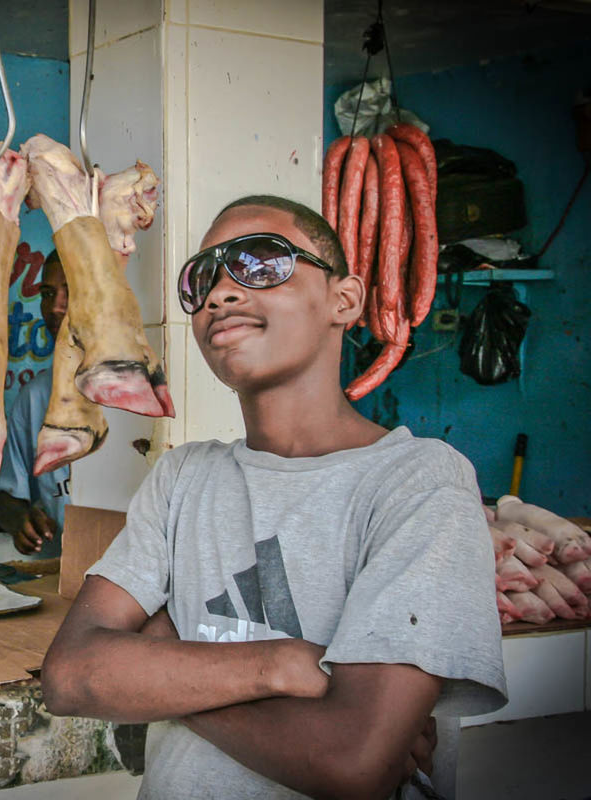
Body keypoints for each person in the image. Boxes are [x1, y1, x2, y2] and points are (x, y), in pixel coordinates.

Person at [40, 196, 507, 799]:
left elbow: (350, 762)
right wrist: (281, 664)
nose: (220, 293)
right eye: (201, 279)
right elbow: (71, 675)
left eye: (263, 263)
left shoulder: (418, 481)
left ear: (346, 300)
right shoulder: (183, 477)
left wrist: (159, 667)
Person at [0, 250, 71, 558]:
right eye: (48, 293)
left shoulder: (132, 390)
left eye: (71, 291)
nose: (55, 307)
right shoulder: (36, 396)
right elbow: (8, 497)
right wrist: (21, 521)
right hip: (63, 571)